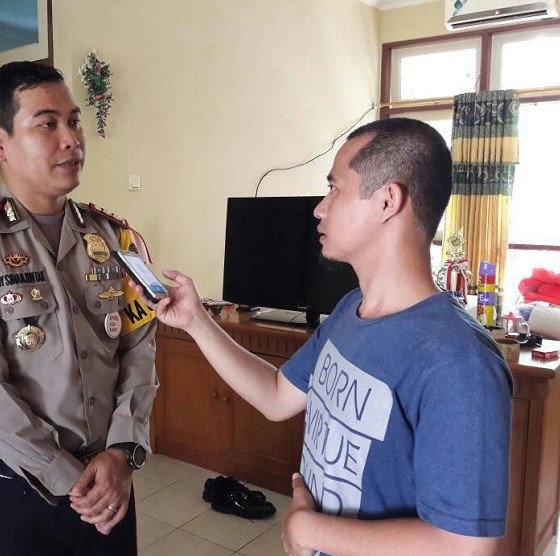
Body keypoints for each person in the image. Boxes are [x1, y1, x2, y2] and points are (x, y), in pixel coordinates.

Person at [137, 118, 512, 556]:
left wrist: (309, 532)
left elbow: (466, 546)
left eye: (335, 188)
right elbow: (277, 396)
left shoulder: (459, 363)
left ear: (388, 201)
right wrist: (197, 320)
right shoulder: (350, 309)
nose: (320, 207)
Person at [0, 61, 158, 556]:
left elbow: (139, 351)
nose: (71, 139)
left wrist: (121, 451)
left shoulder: (115, 239)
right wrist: (75, 481)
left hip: (109, 487)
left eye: (73, 121)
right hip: (15, 499)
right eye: (47, 124)